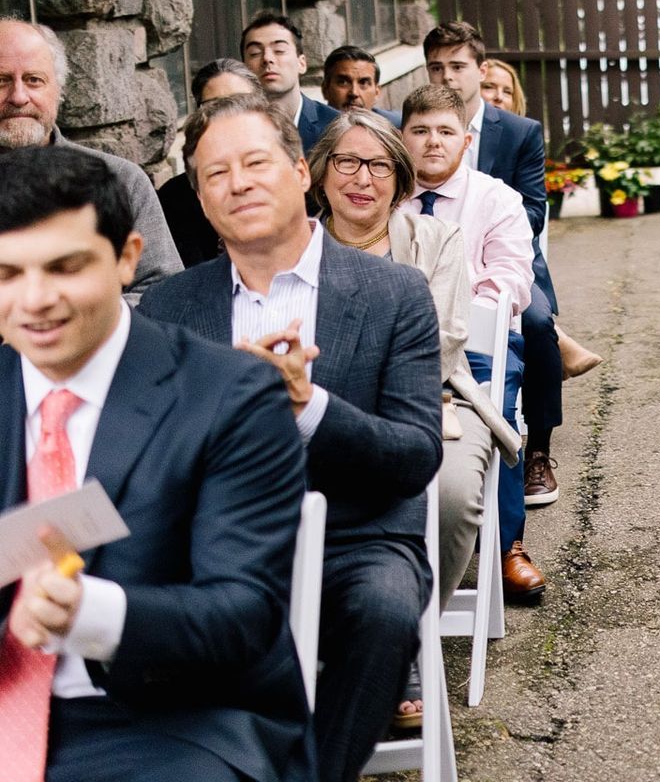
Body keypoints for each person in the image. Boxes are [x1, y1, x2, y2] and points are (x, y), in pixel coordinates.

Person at [137, 95, 442, 782]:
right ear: (200, 198)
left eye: (254, 162)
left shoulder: (395, 292)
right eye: (214, 174)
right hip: (212, 549)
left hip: (356, 539)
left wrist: (306, 405)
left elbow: (416, 454)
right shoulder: (167, 308)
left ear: (301, 170)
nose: (237, 183)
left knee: (385, 612)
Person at [0, 146, 312, 782]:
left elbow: (242, 615)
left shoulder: (229, 397)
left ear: (126, 258)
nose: (34, 300)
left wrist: (90, 613)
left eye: (64, 268)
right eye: (7, 273)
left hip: (172, 724)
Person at [309, 110, 522, 604]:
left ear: (399, 178)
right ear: (320, 172)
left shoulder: (436, 239)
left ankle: (408, 631)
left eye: (381, 166)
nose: (363, 178)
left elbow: (442, 341)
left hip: (435, 400)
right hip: (316, 408)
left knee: (448, 496)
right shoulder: (296, 245)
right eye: (346, 162)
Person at [425, 21, 598, 508]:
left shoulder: (518, 131)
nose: (446, 78)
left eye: (457, 66)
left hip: (506, 254)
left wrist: (485, 222)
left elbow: (534, 208)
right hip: (433, 254)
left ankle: (538, 449)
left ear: (480, 70)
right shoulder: (415, 126)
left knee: (538, 322)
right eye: (435, 67)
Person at [399, 84, 549, 605]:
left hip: (476, 345)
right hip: (396, 345)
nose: (432, 142)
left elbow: (511, 279)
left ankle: (507, 545)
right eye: (420, 131)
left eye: (445, 132)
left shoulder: (495, 198)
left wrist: (451, 315)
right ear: (403, 137)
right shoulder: (385, 198)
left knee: (493, 414)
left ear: (466, 141)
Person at [0, 17, 181, 295]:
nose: (19, 97)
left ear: (59, 91)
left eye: (34, 80)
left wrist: (83, 326)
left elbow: (164, 292)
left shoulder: (120, 179)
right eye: (1, 81)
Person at [157, 58, 263, 267]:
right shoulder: (174, 197)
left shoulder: (289, 179)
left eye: (239, 102)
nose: (227, 115)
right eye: (214, 105)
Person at [241, 11, 339, 152]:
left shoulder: (334, 127)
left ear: (302, 63)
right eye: (255, 53)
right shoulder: (236, 130)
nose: (267, 58)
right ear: (243, 69)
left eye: (279, 50)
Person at [321, 44, 400, 124]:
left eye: (363, 83)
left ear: (377, 92)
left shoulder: (398, 126)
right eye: (343, 82)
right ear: (325, 90)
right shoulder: (312, 132)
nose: (354, 93)